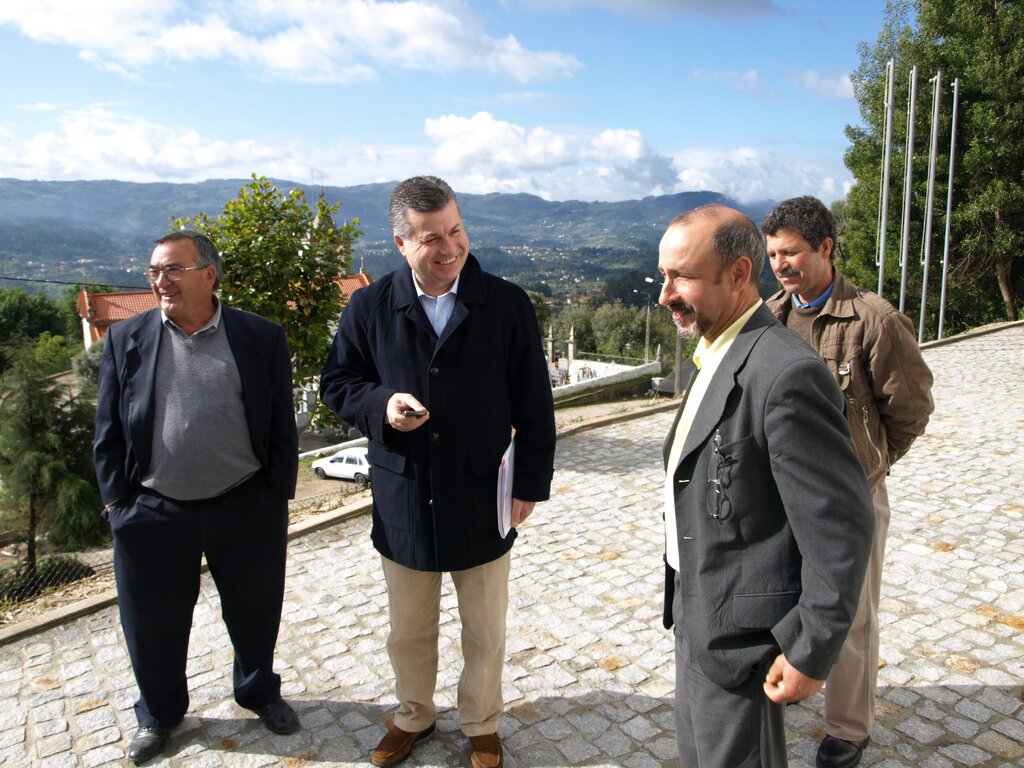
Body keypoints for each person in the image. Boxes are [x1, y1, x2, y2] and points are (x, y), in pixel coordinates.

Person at [319, 176, 556, 768]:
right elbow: (338, 384)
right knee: (408, 630)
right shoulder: (369, 307)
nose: (450, 248)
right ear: (401, 243)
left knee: (486, 630)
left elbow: (535, 403)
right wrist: (382, 405)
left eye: (456, 231)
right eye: (431, 239)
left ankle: (481, 722)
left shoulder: (506, 304)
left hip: (483, 493)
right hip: (405, 494)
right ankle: (413, 715)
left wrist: (529, 484)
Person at [658, 205, 875, 768]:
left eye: (682, 277)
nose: (665, 295)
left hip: (744, 641)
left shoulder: (785, 373)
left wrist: (811, 648)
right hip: (698, 615)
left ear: (738, 274)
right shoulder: (717, 349)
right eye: (663, 275)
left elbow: (840, 527)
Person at [94, 231, 300, 765]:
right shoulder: (125, 338)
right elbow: (108, 430)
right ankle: (159, 714)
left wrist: (276, 494)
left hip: (245, 504)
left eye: (173, 270)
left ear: (209, 275)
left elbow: (282, 423)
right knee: (152, 622)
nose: (160, 281)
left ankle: (258, 691)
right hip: (152, 510)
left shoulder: (260, 336)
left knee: (255, 611)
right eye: (154, 271)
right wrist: (119, 505)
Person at [763, 196, 934, 768]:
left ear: (826, 248)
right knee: (782, 598)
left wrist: (867, 469)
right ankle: (787, 683)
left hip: (850, 501)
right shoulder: (768, 316)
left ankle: (847, 728)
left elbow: (909, 411)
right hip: (780, 496)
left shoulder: (874, 320)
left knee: (853, 615)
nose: (780, 265)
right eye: (773, 255)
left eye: (791, 253)